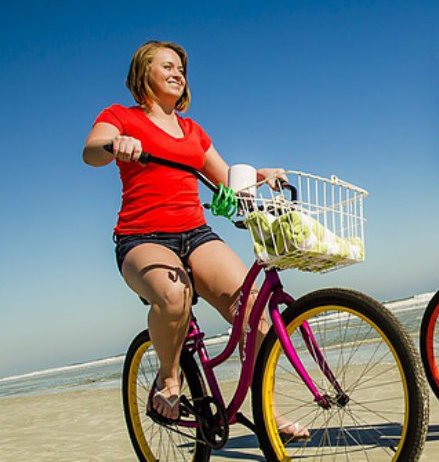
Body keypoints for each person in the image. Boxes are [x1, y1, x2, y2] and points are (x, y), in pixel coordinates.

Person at [82, 40, 309, 439]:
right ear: (143, 73)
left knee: (253, 309)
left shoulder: (192, 130)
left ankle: (267, 410)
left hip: (195, 232)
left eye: (182, 69)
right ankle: (169, 381)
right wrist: (114, 144)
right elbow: (91, 151)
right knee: (174, 297)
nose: (178, 73)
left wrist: (259, 174)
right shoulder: (120, 117)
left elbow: (226, 179)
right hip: (141, 238)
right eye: (167, 65)